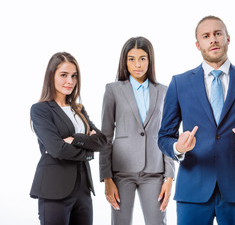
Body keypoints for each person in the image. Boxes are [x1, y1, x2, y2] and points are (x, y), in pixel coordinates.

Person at [158, 15, 235, 225]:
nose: (213, 39)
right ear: (197, 44)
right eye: (206, 36)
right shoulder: (179, 83)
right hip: (192, 191)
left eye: (218, 34)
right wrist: (178, 148)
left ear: (228, 37)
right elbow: (164, 136)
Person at [100, 36, 175, 225]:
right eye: (131, 59)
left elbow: (169, 135)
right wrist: (107, 178)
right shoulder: (113, 90)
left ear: (150, 60)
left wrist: (169, 176)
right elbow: (105, 137)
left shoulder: (164, 91)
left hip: (154, 170)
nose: (137, 64)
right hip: (121, 171)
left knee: (158, 222)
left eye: (142, 58)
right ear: (124, 61)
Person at [30, 52, 107, 225]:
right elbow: (58, 149)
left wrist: (74, 139)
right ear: (51, 76)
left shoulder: (78, 109)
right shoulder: (40, 110)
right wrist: (88, 149)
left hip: (83, 190)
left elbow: (102, 141)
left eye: (74, 76)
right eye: (63, 75)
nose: (70, 81)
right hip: (54, 189)